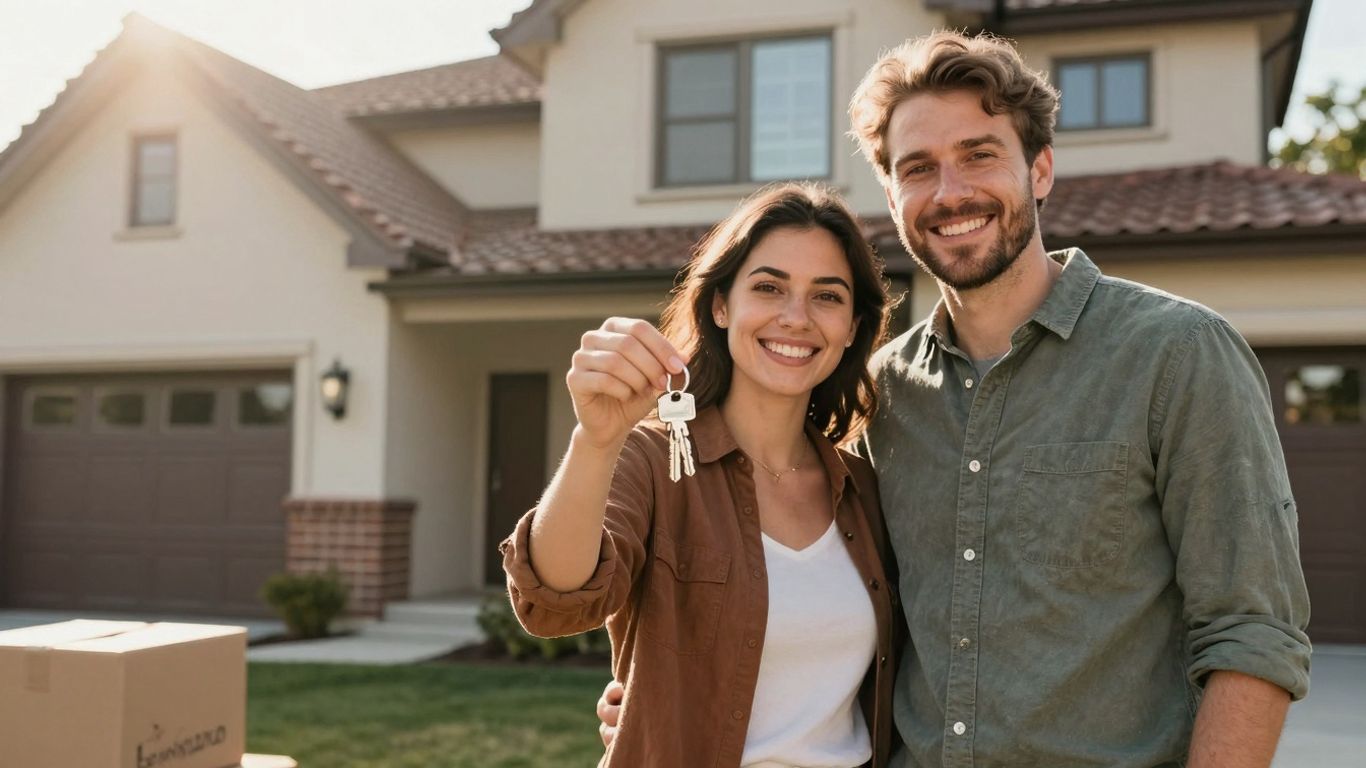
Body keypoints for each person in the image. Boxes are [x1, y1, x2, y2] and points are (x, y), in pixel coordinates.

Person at [600, 31, 1312, 768]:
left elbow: (1253, 632)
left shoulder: (1177, 356)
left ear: (1040, 169)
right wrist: (663, 690)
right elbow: (836, 612)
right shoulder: (883, 396)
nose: (950, 193)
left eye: (978, 154)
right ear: (892, 195)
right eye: (918, 169)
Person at [501, 182, 901, 768]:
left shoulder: (864, 488)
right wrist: (595, 440)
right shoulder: (655, 460)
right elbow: (558, 600)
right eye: (768, 287)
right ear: (721, 305)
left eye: (827, 296)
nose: (796, 318)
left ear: (851, 326)